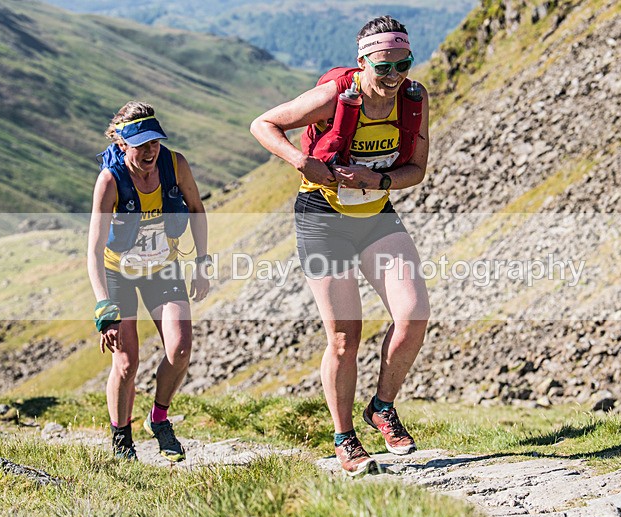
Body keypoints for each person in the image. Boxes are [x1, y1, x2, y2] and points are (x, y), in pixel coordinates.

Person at [251, 16, 431, 476]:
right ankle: (344, 437)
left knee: (413, 315)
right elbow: (263, 124)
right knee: (345, 337)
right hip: (322, 219)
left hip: (375, 216)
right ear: (362, 62)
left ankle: (382, 408)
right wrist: (300, 160)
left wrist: (380, 179)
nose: (394, 77)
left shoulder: (413, 98)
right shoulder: (336, 97)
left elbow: (417, 170)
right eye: (383, 67)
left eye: (403, 65)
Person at [87, 101, 210, 461]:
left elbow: (197, 209)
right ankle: (121, 438)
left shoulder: (176, 165)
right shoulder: (110, 181)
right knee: (126, 363)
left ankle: (159, 418)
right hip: (119, 274)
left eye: (154, 141)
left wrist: (202, 262)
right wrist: (103, 305)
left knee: (181, 347)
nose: (150, 150)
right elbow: (93, 250)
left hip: (162, 268)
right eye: (140, 144)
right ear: (122, 144)